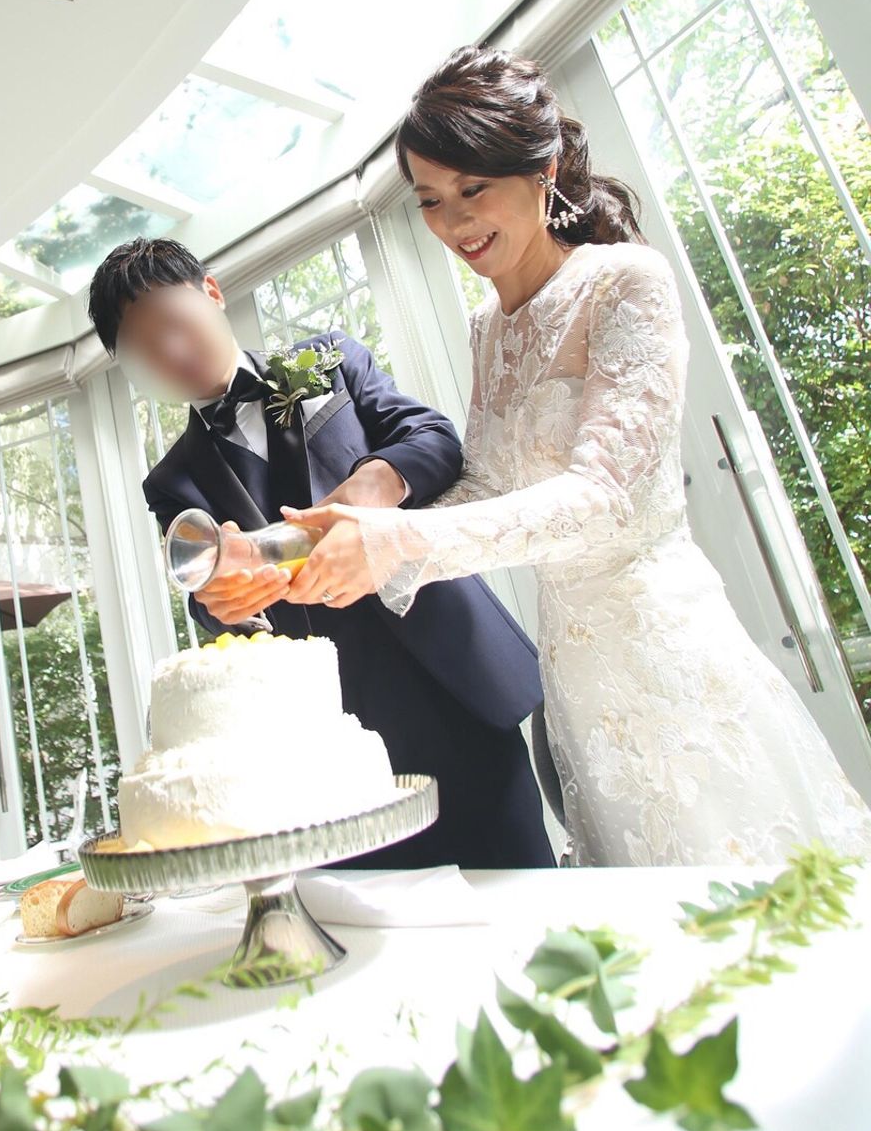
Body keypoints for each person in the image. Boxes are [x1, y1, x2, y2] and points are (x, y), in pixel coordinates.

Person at [283, 45, 871, 868]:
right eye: (431, 200)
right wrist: (343, 535)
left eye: (473, 188)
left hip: (668, 650)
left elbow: (604, 498)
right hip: (574, 675)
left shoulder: (627, 281)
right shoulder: (488, 327)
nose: (454, 223)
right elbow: (488, 484)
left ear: (544, 169)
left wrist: (399, 541)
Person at [87, 238, 555, 869]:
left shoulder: (330, 361)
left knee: (518, 885)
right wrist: (222, 601)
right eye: (145, 350)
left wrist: (373, 485)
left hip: (447, 673)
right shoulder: (171, 481)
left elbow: (433, 438)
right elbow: (204, 586)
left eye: (173, 323)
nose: (171, 352)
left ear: (211, 292)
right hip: (329, 735)